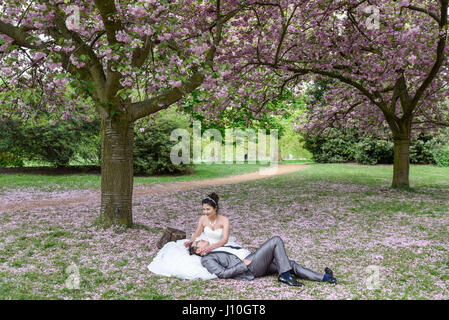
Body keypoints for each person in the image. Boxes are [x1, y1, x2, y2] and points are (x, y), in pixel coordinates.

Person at [148, 192, 242, 280]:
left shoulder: (224, 220)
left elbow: (225, 239)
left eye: (208, 209)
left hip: (219, 244)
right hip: (204, 241)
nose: (206, 212)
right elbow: (197, 233)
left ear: (215, 208)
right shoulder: (203, 219)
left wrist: (211, 247)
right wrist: (190, 241)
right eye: (204, 209)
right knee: (181, 252)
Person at [189, 235, 338, 286]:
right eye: (198, 242)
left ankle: (326, 278)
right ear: (198, 250)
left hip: (255, 260)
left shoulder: (216, 248)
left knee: (289, 264)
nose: (201, 239)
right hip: (249, 267)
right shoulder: (207, 259)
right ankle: (285, 277)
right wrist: (243, 264)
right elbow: (222, 273)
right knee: (275, 240)